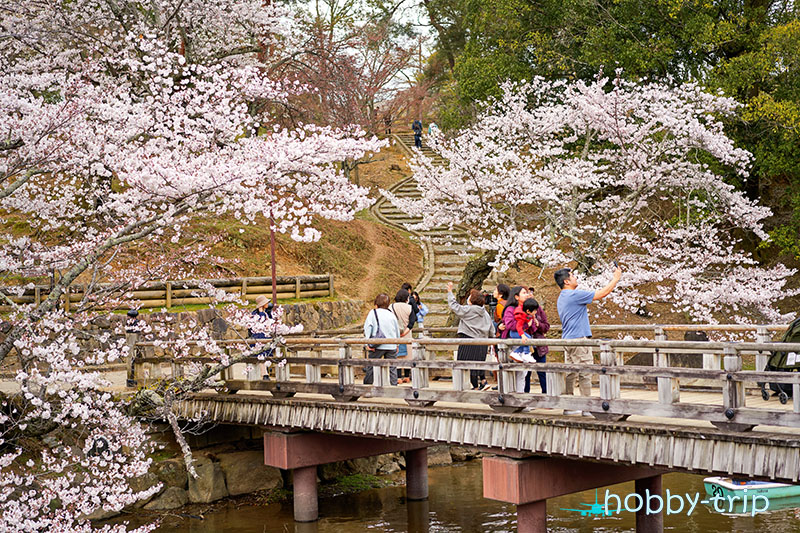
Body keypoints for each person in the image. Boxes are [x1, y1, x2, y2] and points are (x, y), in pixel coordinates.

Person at [554, 265, 622, 415]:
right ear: (566, 281)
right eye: (572, 276)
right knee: (585, 372)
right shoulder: (574, 295)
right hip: (579, 339)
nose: (575, 277)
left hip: (568, 339)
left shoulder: (562, 297)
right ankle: (587, 406)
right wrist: (615, 278)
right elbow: (602, 293)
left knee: (571, 373)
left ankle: (569, 405)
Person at [447, 282, 495, 390]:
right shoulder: (484, 312)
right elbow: (491, 328)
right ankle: (483, 382)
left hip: (469, 339)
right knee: (478, 363)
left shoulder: (469, 309)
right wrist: (492, 339)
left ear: (472, 300)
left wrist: (450, 292)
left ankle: (475, 386)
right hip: (483, 342)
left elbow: (454, 306)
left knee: (464, 362)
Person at [363, 293, 402, 386]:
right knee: (392, 367)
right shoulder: (391, 314)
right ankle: (394, 387)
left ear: (376, 303)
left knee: (371, 366)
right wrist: (397, 344)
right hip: (391, 344)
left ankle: (367, 387)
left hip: (377, 344)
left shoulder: (373, 312)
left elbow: (368, 328)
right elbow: (397, 330)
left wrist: (367, 343)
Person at [501, 286, 534, 392]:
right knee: (512, 373)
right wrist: (525, 325)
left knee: (522, 373)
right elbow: (510, 324)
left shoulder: (527, 309)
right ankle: (511, 398)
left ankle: (521, 398)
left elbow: (533, 326)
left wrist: (532, 322)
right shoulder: (510, 309)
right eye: (524, 293)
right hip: (513, 342)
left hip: (525, 341)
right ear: (516, 296)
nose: (526, 294)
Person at [390, 289, 415, 383]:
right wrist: (405, 332)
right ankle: (407, 376)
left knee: (397, 355)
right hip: (407, 334)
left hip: (394, 334)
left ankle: (398, 376)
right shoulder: (409, 307)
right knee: (408, 355)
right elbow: (412, 322)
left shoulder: (391, 307)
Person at [248, 295, 274, 380]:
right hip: (258, 338)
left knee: (268, 354)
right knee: (261, 355)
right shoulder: (255, 314)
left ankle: (266, 372)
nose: (268, 304)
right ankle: (264, 375)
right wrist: (261, 312)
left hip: (266, 337)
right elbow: (260, 323)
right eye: (266, 302)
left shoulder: (266, 312)